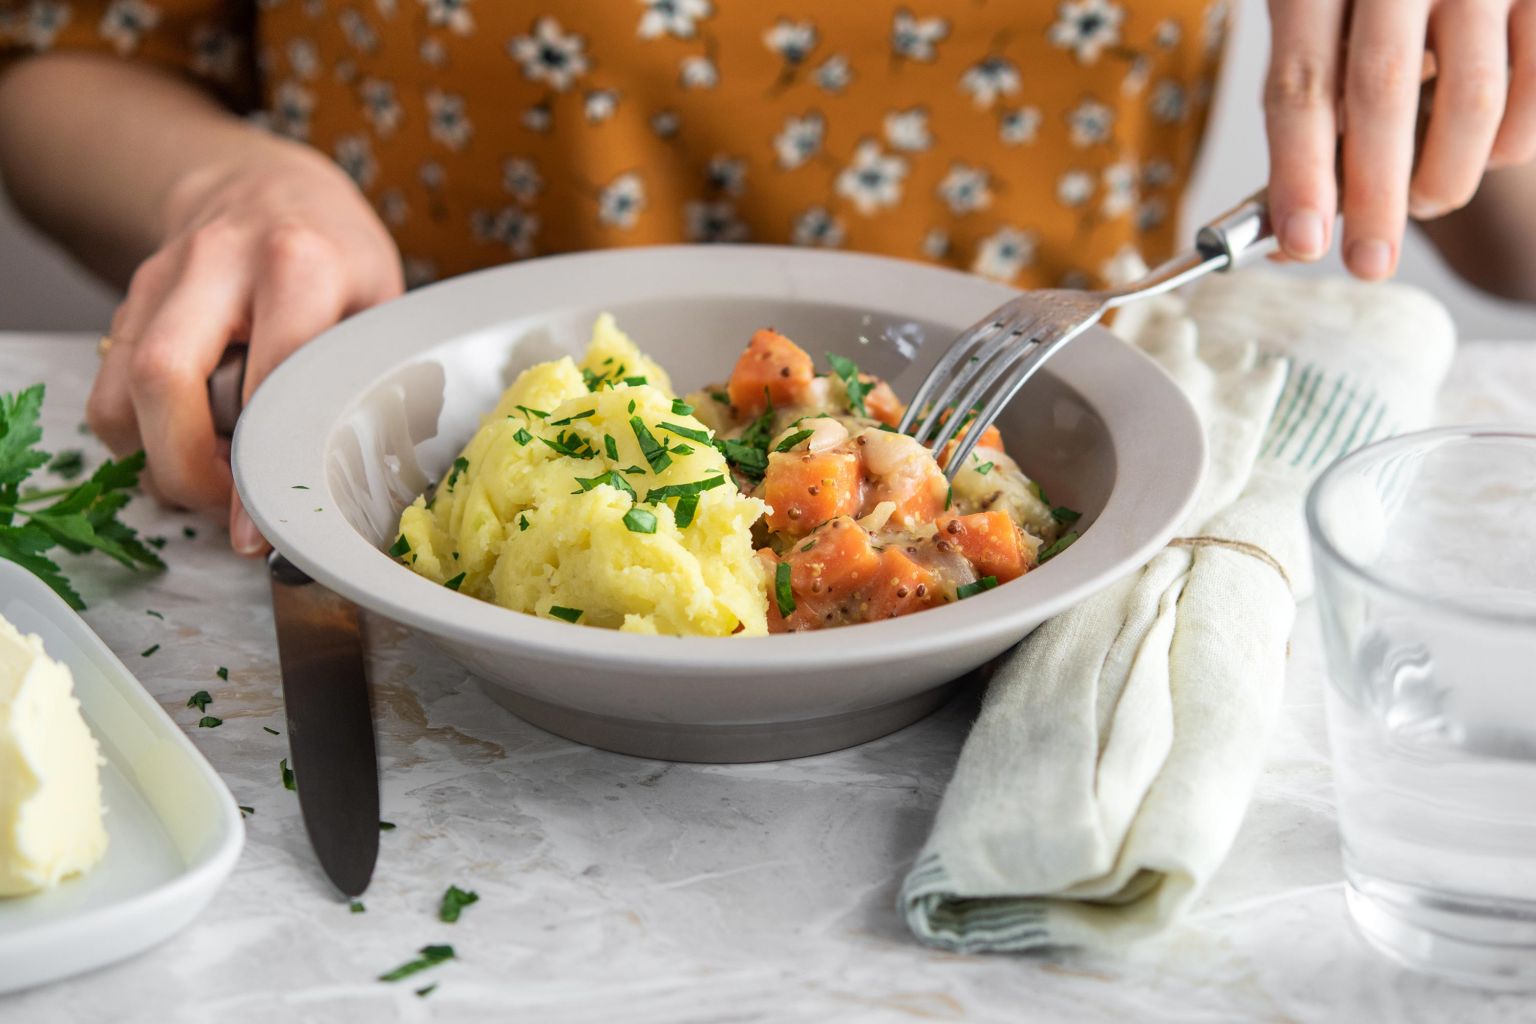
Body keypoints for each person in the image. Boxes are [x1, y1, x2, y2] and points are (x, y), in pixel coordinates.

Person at [0, 1, 1532, 555]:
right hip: (399, 459)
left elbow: (1506, 249)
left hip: (1069, 469)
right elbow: (67, 49)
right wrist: (227, 183)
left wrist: (1481, 75)